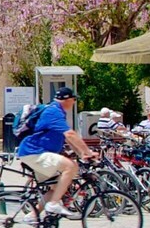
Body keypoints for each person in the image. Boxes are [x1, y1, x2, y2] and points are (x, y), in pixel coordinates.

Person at [14, 86, 95, 219]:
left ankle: (32, 216)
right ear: (66, 99)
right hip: (35, 152)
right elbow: (70, 134)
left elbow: (68, 140)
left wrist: (82, 154)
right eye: (74, 99)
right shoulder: (54, 112)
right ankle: (54, 204)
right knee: (71, 166)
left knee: (56, 187)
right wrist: (88, 151)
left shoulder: (57, 112)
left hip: (35, 153)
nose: (74, 102)